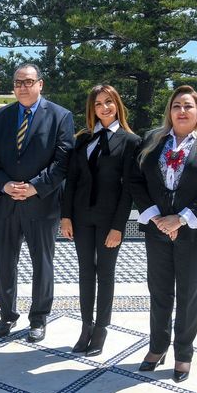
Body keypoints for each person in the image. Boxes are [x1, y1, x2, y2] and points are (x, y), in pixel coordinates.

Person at [129, 85, 197, 383]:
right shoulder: (152, 140)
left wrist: (180, 219)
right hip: (157, 229)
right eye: (176, 106)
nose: (182, 111)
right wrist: (156, 218)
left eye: (188, 106)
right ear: (169, 112)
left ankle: (183, 353)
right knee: (159, 292)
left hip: (193, 233)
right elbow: (135, 180)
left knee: (187, 295)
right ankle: (157, 346)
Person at [0, 64, 74, 343]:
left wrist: (35, 187)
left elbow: (63, 161)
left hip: (42, 204)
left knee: (42, 263)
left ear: (40, 84)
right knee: (5, 262)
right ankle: (7, 314)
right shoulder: (0, 116)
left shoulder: (60, 116)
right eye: (18, 82)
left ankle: (39, 318)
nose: (23, 87)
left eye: (29, 81)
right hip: (6, 202)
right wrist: (4, 184)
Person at [60, 85, 140, 356]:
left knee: (105, 273)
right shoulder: (83, 139)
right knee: (85, 272)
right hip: (81, 216)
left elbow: (128, 190)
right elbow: (72, 180)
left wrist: (119, 227)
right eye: (98, 104)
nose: (104, 108)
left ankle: (101, 329)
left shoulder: (130, 141)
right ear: (91, 109)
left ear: (117, 105)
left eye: (108, 102)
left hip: (109, 220)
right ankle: (86, 326)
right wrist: (66, 216)